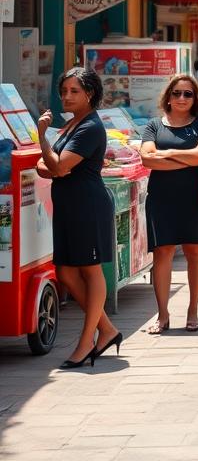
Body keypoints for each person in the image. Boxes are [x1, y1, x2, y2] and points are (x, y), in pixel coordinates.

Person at [35, 69, 121, 368]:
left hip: (87, 207)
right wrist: (52, 162)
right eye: (64, 91)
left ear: (90, 94)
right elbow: (47, 166)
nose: (66, 97)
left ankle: (86, 343)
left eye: (74, 91)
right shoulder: (72, 124)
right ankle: (107, 330)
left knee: (90, 270)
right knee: (66, 273)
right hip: (69, 207)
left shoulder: (90, 127)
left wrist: (43, 137)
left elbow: (56, 167)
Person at [140, 74, 198, 334]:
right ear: (168, 97)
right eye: (177, 93)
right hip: (161, 198)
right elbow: (147, 159)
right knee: (163, 252)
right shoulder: (154, 125)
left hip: (194, 198)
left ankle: (193, 311)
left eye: (188, 94)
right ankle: (162, 315)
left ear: (195, 98)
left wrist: (169, 153)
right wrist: (189, 158)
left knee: (195, 251)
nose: (182, 98)